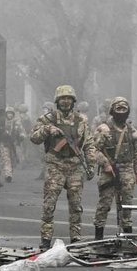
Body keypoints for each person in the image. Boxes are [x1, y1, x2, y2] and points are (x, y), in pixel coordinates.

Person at [29, 85, 96, 249]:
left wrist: (91, 164)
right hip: (55, 165)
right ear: (57, 101)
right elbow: (34, 137)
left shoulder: (81, 121)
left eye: (69, 99)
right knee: (49, 205)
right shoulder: (48, 119)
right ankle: (45, 240)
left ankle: (76, 239)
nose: (65, 101)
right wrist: (47, 129)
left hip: (75, 166)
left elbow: (89, 144)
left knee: (76, 206)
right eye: (62, 98)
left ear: (73, 101)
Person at [92, 97, 137, 239]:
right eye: (118, 109)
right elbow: (93, 150)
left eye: (124, 109)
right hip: (109, 171)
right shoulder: (104, 129)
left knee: (127, 205)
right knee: (104, 204)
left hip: (127, 170)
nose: (121, 112)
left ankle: (128, 237)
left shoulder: (131, 130)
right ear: (112, 110)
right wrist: (106, 164)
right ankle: (99, 237)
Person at [1, 106, 25, 183]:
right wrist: (3, 134)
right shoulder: (2, 122)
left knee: (13, 160)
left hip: (14, 144)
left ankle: (10, 172)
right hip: (5, 143)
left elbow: (21, 131)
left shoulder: (17, 122)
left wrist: (21, 136)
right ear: (6, 114)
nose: (10, 115)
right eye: (8, 113)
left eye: (11, 113)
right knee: (6, 159)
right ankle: (8, 175)